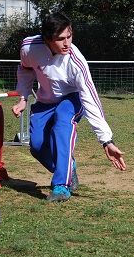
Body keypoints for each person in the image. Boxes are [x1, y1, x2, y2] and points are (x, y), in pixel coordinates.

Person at [12, 12, 126, 202]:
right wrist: (23, 97)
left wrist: (106, 141)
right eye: (60, 39)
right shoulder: (29, 47)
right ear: (48, 39)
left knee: (62, 125)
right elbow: (25, 70)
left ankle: (61, 186)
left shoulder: (76, 62)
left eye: (69, 36)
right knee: (37, 146)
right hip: (45, 101)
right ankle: (67, 166)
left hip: (72, 98)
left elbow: (91, 100)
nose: (67, 43)